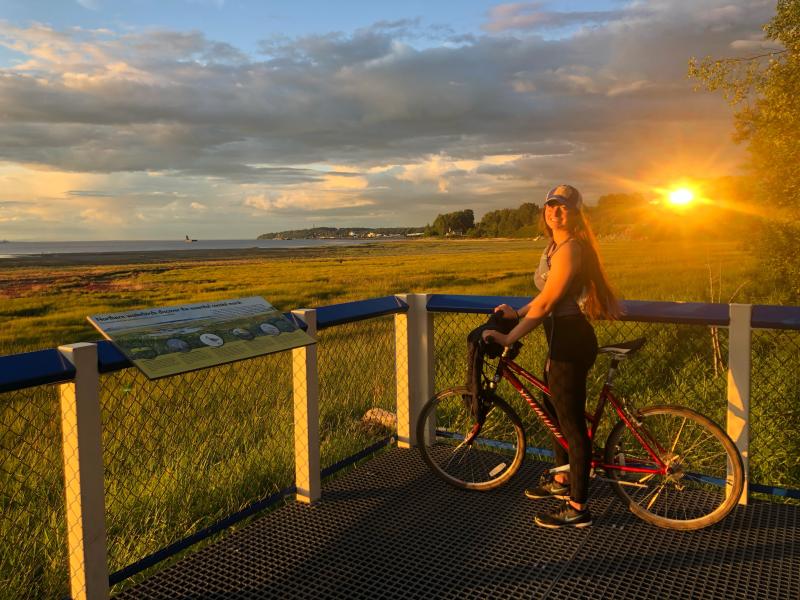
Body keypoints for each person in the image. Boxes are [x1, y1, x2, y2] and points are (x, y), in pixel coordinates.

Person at [481, 184, 620, 529]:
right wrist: (516, 312)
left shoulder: (572, 248)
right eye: (550, 206)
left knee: (572, 425)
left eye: (563, 207)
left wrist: (509, 336)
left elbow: (547, 304)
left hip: (571, 341)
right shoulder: (554, 246)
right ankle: (562, 481)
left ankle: (578, 507)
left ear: (574, 212)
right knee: (553, 410)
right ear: (544, 211)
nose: (555, 211)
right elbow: (544, 296)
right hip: (559, 339)